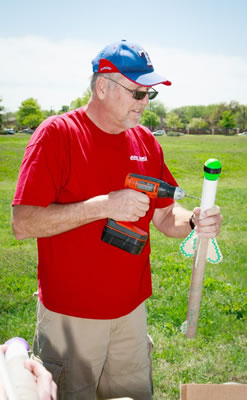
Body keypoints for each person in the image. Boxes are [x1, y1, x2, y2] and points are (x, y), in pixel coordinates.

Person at [11, 40, 222, 400]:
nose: (145, 103)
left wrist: (193, 221)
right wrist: (103, 206)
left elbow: (166, 215)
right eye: (137, 93)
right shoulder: (58, 134)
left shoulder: (145, 142)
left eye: (149, 95)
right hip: (70, 319)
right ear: (103, 86)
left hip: (131, 314)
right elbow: (23, 223)